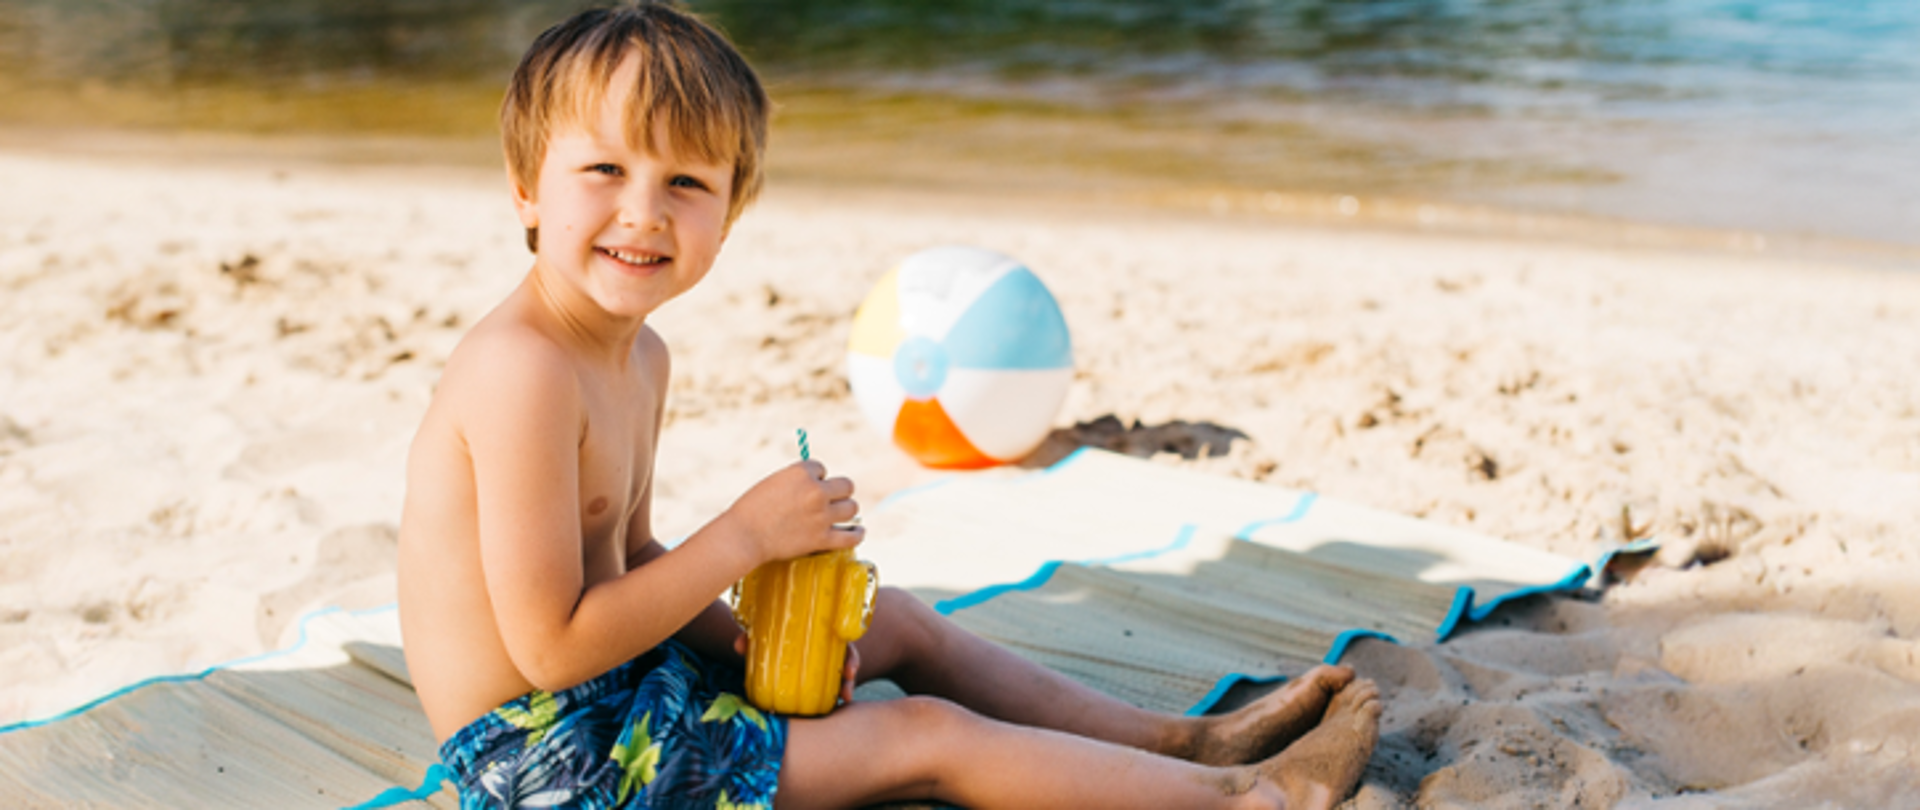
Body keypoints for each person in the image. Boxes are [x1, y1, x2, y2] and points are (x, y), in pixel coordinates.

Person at [396, 3, 1382, 808]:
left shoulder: (637, 355)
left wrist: (749, 645)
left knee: (894, 624)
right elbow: (551, 646)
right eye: (604, 170)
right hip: (545, 763)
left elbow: (636, 557)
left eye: (686, 181)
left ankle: (1191, 743)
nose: (645, 210)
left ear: (728, 218)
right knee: (922, 736)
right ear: (527, 189)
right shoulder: (522, 370)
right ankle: (1251, 801)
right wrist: (743, 537)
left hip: (613, 697)